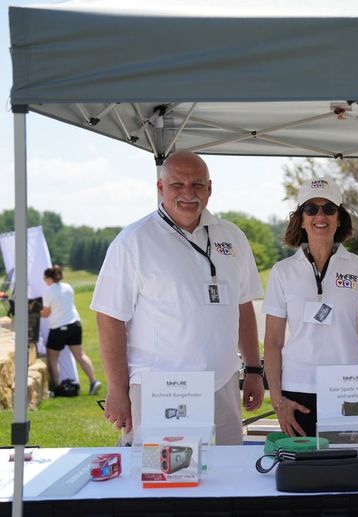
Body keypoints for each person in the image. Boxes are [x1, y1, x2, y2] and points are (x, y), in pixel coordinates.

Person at [91, 151, 264, 445]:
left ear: (209, 188)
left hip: (222, 383)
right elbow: (109, 317)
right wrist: (118, 391)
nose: (188, 193)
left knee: (227, 476)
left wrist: (254, 369)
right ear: (160, 188)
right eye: (177, 185)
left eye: (197, 185)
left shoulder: (232, 237)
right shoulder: (134, 241)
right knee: (163, 481)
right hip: (161, 388)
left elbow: (243, 305)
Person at [262, 177, 358, 437]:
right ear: (301, 219)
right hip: (297, 390)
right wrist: (277, 400)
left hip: (348, 388)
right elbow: (272, 341)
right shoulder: (282, 272)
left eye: (329, 208)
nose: (320, 215)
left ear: (339, 218)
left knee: (348, 471)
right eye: (311, 209)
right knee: (303, 472)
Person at [41, 265, 101, 395]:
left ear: (49, 278)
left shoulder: (49, 291)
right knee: (80, 355)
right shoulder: (68, 287)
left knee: (52, 358)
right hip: (75, 325)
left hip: (58, 328)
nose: (44, 281)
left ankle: (57, 388)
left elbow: (46, 313)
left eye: (44, 278)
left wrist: (34, 312)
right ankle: (93, 381)